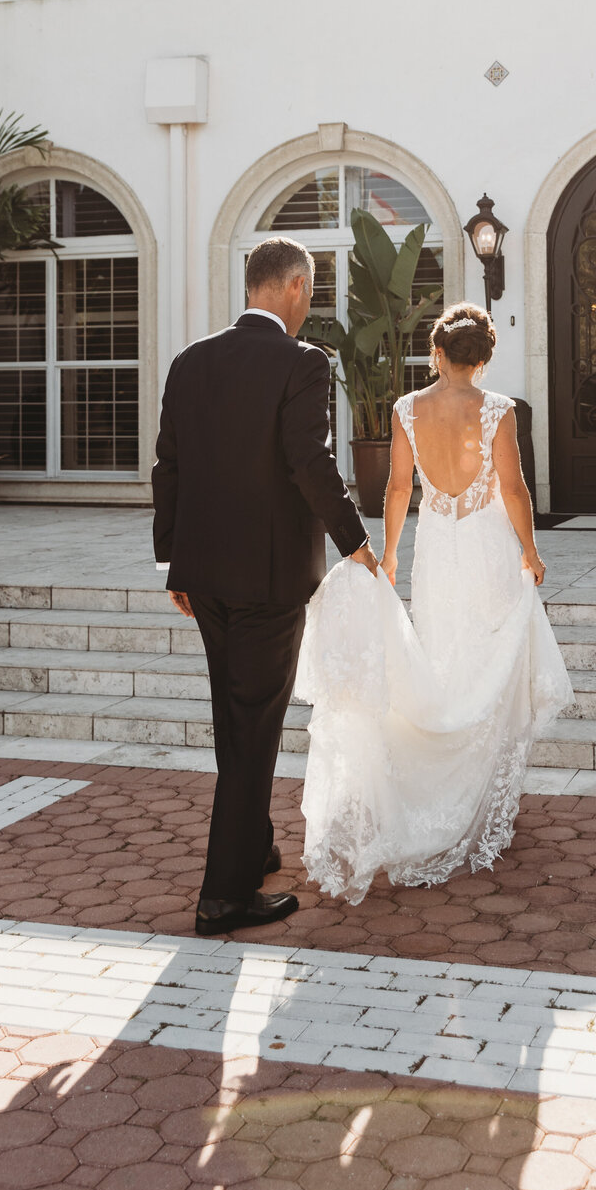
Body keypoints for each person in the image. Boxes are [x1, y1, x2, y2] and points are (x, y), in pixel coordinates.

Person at [296, 303, 573, 904]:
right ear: (485, 357)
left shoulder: (406, 409)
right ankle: (473, 795)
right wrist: (530, 550)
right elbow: (513, 487)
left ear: (438, 354)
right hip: (488, 547)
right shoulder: (498, 410)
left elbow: (398, 486)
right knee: (487, 662)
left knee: (444, 659)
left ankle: (442, 787)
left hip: (439, 551)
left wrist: (389, 554)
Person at [152, 236, 378, 936]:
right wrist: (356, 542)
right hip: (270, 582)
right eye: (309, 292)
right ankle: (223, 898)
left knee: (237, 721)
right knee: (252, 731)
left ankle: (253, 850)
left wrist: (173, 564)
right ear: (294, 289)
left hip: (205, 578)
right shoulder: (303, 362)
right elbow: (309, 461)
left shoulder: (190, 361)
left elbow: (169, 467)